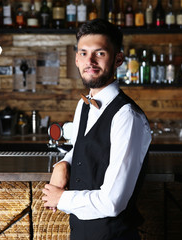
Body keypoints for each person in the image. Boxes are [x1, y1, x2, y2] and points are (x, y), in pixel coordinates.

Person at [42, 18, 151, 240]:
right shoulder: (83, 105)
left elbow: (113, 202)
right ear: (76, 59)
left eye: (99, 53)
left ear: (118, 58)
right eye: (83, 53)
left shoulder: (127, 116)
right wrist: (63, 164)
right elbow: (83, 148)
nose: (89, 60)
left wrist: (60, 198)